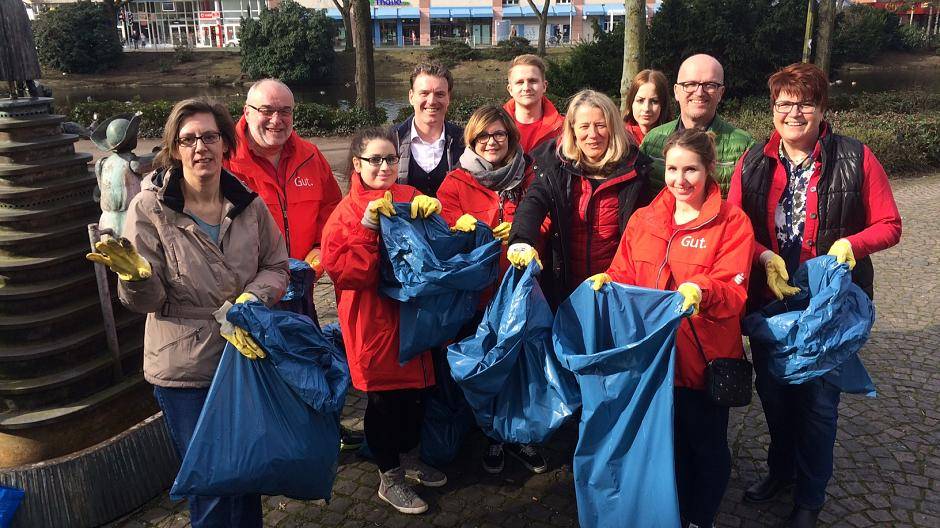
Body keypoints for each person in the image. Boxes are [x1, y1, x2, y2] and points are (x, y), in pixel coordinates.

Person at [86, 98, 289, 527]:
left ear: (225, 144)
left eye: (210, 136)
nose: (201, 147)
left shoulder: (249, 203)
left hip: (245, 357)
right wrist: (137, 279)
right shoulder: (150, 208)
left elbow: (276, 266)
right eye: (189, 139)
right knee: (211, 484)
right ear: (175, 148)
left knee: (247, 472)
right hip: (186, 368)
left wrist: (253, 299)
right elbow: (143, 303)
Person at [727, 62, 902, 528]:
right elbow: (733, 226)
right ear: (773, 109)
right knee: (776, 395)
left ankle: (810, 495)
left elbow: (890, 225)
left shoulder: (856, 156)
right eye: (784, 103)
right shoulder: (753, 162)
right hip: (771, 304)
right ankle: (780, 471)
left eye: (805, 102)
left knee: (819, 407)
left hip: (830, 310)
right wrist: (763, 256)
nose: (794, 111)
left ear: (823, 108)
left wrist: (851, 244)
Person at [591, 129, 754, 528]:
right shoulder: (645, 219)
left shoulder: (732, 222)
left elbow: (735, 293)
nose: (680, 180)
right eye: (673, 169)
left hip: (702, 362)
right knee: (666, 445)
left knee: (707, 447)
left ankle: (701, 517)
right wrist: (607, 281)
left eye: (691, 170)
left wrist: (704, 289)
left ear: (710, 170)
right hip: (654, 364)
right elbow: (624, 271)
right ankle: (670, 513)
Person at [223, 78, 361, 450]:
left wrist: (320, 252)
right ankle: (268, 445)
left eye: (285, 111)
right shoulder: (225, 160)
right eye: (267, 110)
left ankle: (321, 431)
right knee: (259, 372)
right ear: (247, 112)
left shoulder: (309, 155)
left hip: (301, 288)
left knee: (306, 362)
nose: (276, 120)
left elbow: (333, 213)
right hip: (248, 295)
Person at [321, 127, 448, 515]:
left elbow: (435, 257)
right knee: (383, 403)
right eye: (374, 159)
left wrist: (445, 225)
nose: (383, 166)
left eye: (391, 158)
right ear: (357, 164)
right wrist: (367, 229)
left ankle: (406, 460)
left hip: (414, 322)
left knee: (415, 399)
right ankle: (388, 474)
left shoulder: (411, 197)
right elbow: (345, 273)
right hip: (372, 325)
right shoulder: (345, 214)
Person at [437, 105, 549, 476]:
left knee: (519, 367)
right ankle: (490, 434)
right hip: (477, 294)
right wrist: (472, 226)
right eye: (483, 135)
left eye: (499, 134)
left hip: (520, 290)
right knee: (488, 367)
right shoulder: (456, 181)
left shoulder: (529, 175)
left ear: (511, 137)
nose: (491, 141)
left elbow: (545, 219)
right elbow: (444, 228)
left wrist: (524, 233)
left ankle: (518, 435)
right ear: (471, 139)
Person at [506, 89, 653, 308]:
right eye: (584, 126)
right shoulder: (554, 166)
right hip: (564, 287)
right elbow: (533, 203)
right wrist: (521, 241)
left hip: (616, 289)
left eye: (601, 125)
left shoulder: (637, 172)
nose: (592, 135)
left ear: (613, 127)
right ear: (572, 130)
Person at [640, 54, 753, 194]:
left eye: (710, 85)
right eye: (690, 84)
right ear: (676, 91)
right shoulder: (652, 142)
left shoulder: (744, 147)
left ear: (721, 93)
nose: (699, 92)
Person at [394, 62, 465, 197]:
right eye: (424, 93)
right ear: (411, 97)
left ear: (448, 98)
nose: (431, 101)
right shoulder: (391, 139)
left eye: (439, 94)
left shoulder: (465, 141)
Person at [503, 54, 565, 154]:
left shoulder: (565, 128)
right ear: (510, 89)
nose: (526, 87)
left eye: (533, 81)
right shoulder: (494, 127)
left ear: (544, 86)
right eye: (520, 82)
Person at [622, 69, 672, 145]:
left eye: (654, 101)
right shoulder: (618, 138)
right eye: (640, 100)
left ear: (663, 104)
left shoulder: (675, 139)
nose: (646, 109)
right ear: (631, 102)